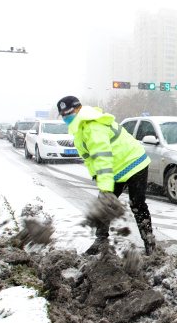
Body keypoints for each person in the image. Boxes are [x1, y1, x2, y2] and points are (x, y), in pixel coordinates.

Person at [56, 96, 155, 256]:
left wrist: (106, 189)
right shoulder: (79, 128)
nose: (67, 117)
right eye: (64, 115)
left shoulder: (92, 125)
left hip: (134, 162)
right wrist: (97, 177)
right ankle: (101, 241)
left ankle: (149, 243)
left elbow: (102, 158)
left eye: (70, 112)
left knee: (137, 204)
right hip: (116, 168)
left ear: (79, 108)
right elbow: (89, 158)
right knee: (103, 206)